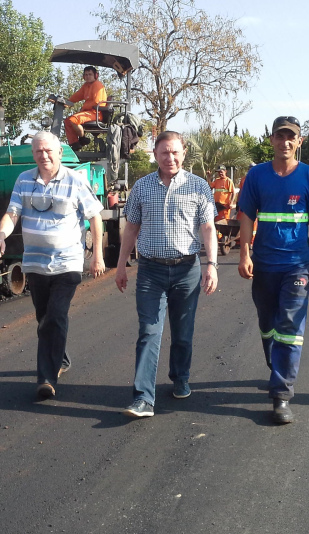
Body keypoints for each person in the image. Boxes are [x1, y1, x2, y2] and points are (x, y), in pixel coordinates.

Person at [0, 131, 105, 400]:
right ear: (33, 154)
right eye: (38, 151)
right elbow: (12, 213)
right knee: (44, 318)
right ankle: (60, 359)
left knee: (55, 315)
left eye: (48, 150)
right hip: (35, 263)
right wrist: (0, 235)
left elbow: (95, 217)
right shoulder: (24, 180)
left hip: (68, 263)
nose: (43, 155)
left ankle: (46, 378)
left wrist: (97, 255)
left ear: (59, 152)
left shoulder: (75, 181)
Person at [115, 131, 218, 418]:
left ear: (184, 153)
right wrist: (121, 265)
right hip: (150, 271)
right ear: (155, 155)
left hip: (187, 270)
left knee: (183, 334)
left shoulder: (199, 187)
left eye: (174, 152)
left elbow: (208, 228)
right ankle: (143, 398)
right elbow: (131, 228)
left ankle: (180, 376)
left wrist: (212, 265)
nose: (169, 158)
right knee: (149, 332)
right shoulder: (141, 187)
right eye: (163, 152)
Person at [237, 116, 309, 424]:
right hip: (264, 264)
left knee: (289, 323)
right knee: (267, 323)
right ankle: (275, 363)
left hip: (297, 264)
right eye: (280, 136)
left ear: (299, 142)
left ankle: (281, 394)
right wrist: (244, 254)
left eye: (292, 137)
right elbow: (247, 215)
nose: (285, 142)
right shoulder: (256, 175)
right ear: (272, 139)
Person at [64, 66, 107, 151]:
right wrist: (66, 102)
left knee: (73, 120)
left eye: (90, 74)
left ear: (96, 75)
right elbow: (77, 96)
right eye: (86, 75)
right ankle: (75, 143)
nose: (87, 76)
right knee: (67, 121)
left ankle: (83, 139)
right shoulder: (86, 86)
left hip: (96, 113)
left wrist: (84, 107)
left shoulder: (97, 85)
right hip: (88, 113)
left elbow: (97, 102)